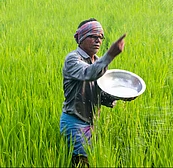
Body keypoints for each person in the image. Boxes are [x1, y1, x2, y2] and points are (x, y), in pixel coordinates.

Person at [60, 18, 127, 167]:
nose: (98, 40)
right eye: (93, 36)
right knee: (82, 164)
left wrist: (123, 95)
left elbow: (101, 93)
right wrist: (110, 55)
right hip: (74, 121)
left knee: (88, 161)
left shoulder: (96, 61)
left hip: (91, 123)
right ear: (81, 38)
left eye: (100, 37)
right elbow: (88, 73)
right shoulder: (72, 59)